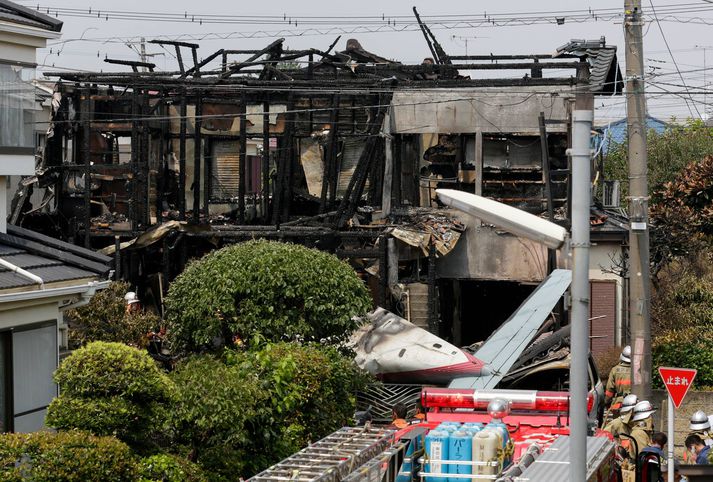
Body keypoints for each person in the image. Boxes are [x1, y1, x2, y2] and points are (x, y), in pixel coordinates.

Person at [605, 346, 632, 418]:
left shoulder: (615, 370)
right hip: (634, 404)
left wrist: (607, 403)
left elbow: (609, 391)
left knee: (617, 426)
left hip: (619, 404)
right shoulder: (638, 370)